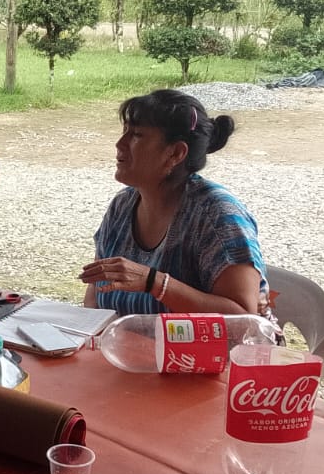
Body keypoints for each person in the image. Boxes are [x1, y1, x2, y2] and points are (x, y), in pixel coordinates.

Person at [79, 89, 272, 317]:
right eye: (124, 132)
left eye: (137, 135)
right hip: (127, 340)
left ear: (176, 153)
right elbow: (95, 292)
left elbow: (242, 317)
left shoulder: (217, 216)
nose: (120, 144)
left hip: (223, 343)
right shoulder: (122, 206)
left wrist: (154, 282)